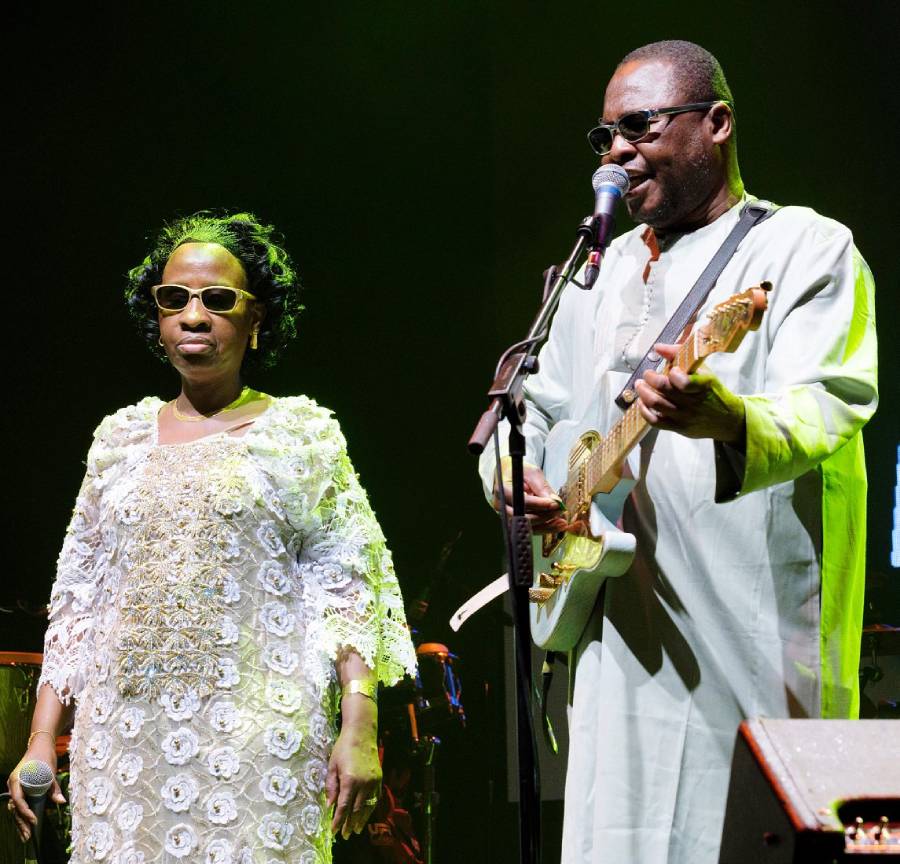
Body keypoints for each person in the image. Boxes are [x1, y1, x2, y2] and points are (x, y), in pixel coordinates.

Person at [479, 41, 878, 864]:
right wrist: (510, 476)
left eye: (640, 126)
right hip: (619, 621)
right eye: (606, 137)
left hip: (745, 621)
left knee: (742, 832)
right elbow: (539, 408)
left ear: (718, 123)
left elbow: (833, 396)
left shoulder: (805, 245)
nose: (618, 152)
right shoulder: (599, 271)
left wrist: (729, 417)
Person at [7, 211, 417, 863]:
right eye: (175, 299)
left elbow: (351, 587)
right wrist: (38, 740)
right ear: (158, 318)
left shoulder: (300, 435)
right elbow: (79, 601)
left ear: (256, 320)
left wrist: (359, 725)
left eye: (218, 299)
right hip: (124, 745)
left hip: (262, 744)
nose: (194, 316)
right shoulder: (118, 441)